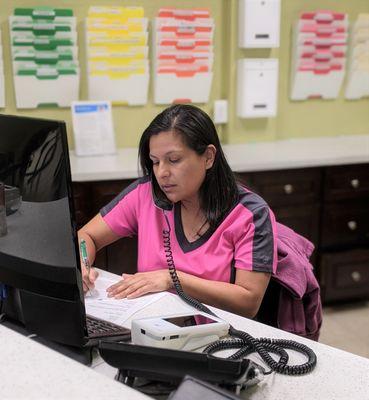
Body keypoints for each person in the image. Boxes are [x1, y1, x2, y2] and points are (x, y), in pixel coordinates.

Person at [78, 104, 277, 319]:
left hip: (218, 338)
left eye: (174, 160)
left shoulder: (251, 214)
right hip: (150, 328)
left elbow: (248, 302)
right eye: (155, 162)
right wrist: (82, 265)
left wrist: (172, 278)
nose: (162, 173)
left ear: (208, 157)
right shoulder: (145, 194)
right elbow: (85, 236)